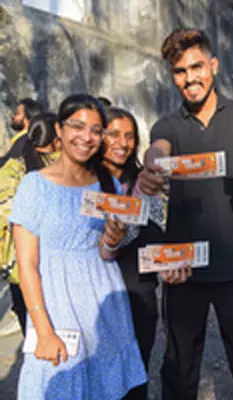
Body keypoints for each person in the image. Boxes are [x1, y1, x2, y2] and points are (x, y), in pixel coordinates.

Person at [137, 29, 233, 400]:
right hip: (183, 269)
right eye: (179, 71)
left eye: (196, 66)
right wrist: (154, 164)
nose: (189, 78)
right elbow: (157, 150)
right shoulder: (167, 125)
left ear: (213, 65)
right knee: (179, 368)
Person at [8, 93, 146, 398]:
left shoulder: (105, 183)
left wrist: (112, 239)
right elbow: (27, 264)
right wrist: (43, 331)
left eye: (96, 130)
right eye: (77, 127)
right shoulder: (34, 186)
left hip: (106, 314)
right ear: (59, 129)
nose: (87, 137)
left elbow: (107, 253)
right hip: (57, 311)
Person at [102, 106, 159, 399]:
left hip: (138, 291)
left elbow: (161, 230)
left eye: (129, 136)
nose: (122, 143)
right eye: (113, 134)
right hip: (98, 296)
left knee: (136, 375)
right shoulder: (83, 182)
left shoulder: (144, 182)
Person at [0, 113, 61, 335]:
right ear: (58, 139)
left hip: (19, 268)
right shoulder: (63, 168)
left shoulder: (12, 167)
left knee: (34, 338)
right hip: (46, 268)